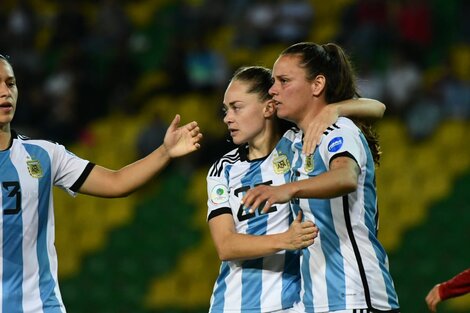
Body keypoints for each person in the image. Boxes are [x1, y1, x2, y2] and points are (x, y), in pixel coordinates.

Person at [0, 54, 202, 312]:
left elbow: (116, 182)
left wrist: (164, 151)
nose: (6, 92)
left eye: (11, 83)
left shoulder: (44, 154)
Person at [207, 65, 387, 312]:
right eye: (226, 110)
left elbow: (377, 108)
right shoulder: (223, 169)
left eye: (236, 108)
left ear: (268, 108)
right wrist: (285, 240)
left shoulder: (298, 145)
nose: (228, 117)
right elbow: (226, 246)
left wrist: (335, 109)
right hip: (231, 304)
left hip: (292, 304)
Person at [241, 42, 400, 312]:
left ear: (317, 85)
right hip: (316, 300)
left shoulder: (338, 130)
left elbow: (345, 177)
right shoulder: (293, 142)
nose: (273, 89)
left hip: (356, 296)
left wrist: (288, 190)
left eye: (284, 80)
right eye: (273, 81)